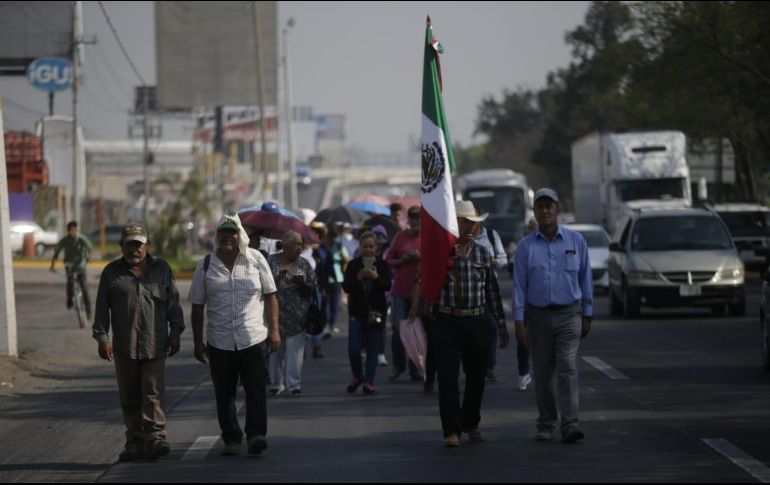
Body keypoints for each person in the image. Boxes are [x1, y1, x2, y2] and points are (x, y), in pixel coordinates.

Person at [188, 211, 280, 456]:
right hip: (219, 341)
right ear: (217, 236)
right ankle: (231, 438)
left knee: (255, 390)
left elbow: (271, 295)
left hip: (253, 338)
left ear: (240, 235)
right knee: (224, 393)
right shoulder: (205, 265)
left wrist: (275, 331)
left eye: (233, 232)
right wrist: (198, 342)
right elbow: (197, 305)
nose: (228, 236)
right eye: (224, 232)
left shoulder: (256, 259)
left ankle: (256, 434)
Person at [92, 223, 184, 462]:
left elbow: (173, 303)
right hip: (125, 345)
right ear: (121, 246)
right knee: (130, 395)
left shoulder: (161, 269)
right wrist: (102, 337)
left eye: (139, 244)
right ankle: (133, 442)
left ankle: (155, 438)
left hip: (155, 343)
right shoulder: (111, 272)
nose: (135, 249)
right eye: (130, 244)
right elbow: (101, 307)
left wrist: (176, 332)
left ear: (147, 246)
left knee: (152, 393)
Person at [513, 188, 593, 444]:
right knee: (543, 373)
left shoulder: (576, 241)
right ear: (534, 211)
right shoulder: (525, 247)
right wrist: (518, 321)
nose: (545, 211)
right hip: (537, 317)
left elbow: (585, 278)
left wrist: (588, 313)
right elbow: (519, 286)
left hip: (569, 314)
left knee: (567, 369)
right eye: (540, 207)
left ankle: (569, 423)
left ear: (557, 210)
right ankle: (546, 422)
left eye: (549, 206)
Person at [434, 201, 509, 447]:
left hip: (476, 320)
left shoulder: (482, 253)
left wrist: (501, 323)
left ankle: (471, 423)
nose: (469, 227)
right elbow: (425, 284)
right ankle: (452, 430)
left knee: (477, 375)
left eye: (473, 223)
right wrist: (445, 261)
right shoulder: (440, 252)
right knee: (448, 377)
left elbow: (492, 291)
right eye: (464, 222)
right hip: (447, 320)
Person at [267, 231, 317, 396]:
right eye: (295, 244)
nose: (299, 248)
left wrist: (303, 284)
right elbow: (261, 285)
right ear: (285, 246)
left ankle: (294, 385)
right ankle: (276, 383)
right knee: (275, 352)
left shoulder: (304, 264)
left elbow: (313, 288)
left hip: (298, 315)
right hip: (275, 317)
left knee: (295, 353)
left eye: (300, 244)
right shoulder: (271, 261)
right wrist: (277, 279)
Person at [342, 231, 392, 395]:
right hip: (357, 312)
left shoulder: (382, 265)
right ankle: (357, 376)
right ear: (360, 247)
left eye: (371, 246)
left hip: (376, 312)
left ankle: (369, 382)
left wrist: (376, 277)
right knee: (354, 349)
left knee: (373, 348)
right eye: (365, 247)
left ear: (376, 248)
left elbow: (387, 286)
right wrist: (357, 278)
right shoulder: (353, 265)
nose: (368, 250)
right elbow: (346, 287)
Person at [384, 205, 423, 381]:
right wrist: (402, 260)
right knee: (398, 328)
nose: (416, 221)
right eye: (413, 218)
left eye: (419, 218)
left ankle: (416, 367)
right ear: (409, 220)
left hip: (421, 292)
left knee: (417, 330)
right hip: (400, 290)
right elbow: (388, 260)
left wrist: (421, 257)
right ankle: (398, 365)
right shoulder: (400, 237)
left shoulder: (429, 238)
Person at [474, 223, 508, 383]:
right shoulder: (457, 238)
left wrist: (491, 261)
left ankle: (490, 365)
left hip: (487, 285)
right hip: (468, 292)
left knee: (490, 326)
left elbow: (503, 259)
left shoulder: (490, 235)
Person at [50, 220, 93, 318]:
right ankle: (69, 299)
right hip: (69, 265)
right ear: (68, 231)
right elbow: (57, 251)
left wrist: (88, 257)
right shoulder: (65, 240)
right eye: (72, 230)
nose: (74, 232)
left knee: (84, 287)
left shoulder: (81, 239)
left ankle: (88, 310)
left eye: (75, 230)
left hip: (80, 265)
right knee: (70, 282)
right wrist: (53, 264)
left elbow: (89, 247)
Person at [309, 222, 329, 358]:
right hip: (302, 289)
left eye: (318, 233)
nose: (315, 235)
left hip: (317, 289)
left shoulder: (322, 251)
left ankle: (316, 345)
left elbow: (325, 271)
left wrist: (324, 288)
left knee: (316, 316)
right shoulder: (302, 249)